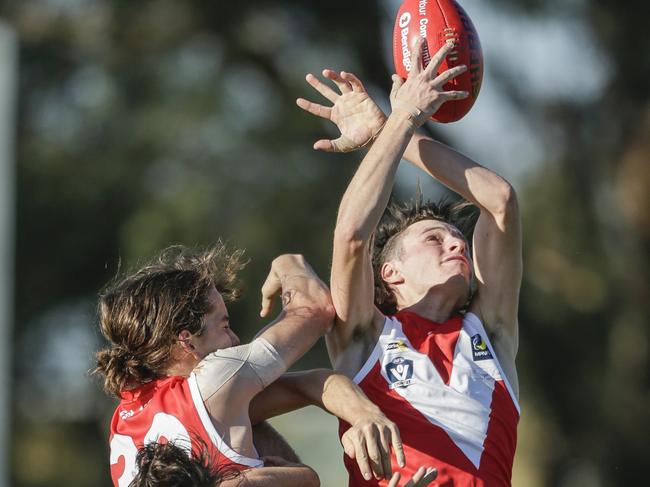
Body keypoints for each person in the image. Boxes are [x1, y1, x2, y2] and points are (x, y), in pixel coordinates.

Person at [297, 38, 521, 485]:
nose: (456, 245)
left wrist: (387, 128)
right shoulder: (364, 336)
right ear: (391, 272)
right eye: (434, 239)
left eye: (458, 238)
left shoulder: (490, 331)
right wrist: (404, 117)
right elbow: (352, 236)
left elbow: (499, 200)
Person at [94, 244, 407, 486]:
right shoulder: (213, 381)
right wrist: (289, 264)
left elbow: (310, 383)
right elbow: (315, 307)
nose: (234, 339)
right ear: (187, 341)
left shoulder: (125, 418)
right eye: (223, 325)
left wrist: (364, 416)